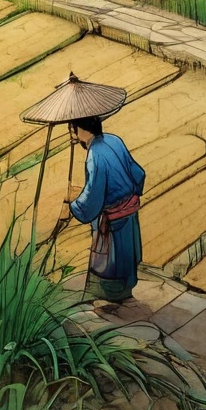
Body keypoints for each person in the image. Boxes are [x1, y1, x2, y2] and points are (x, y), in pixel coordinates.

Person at [66, 115, 145, 304]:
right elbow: (139, 173)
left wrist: (74, 206)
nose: (71, 134)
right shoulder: (114, 140)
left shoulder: (95, 156)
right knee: (127, 255)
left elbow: (93, 194)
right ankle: (125, 292)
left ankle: (112, 298)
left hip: (113, 217)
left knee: (110, 261)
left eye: (72, 129)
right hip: (129, 212)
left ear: (81, 129)